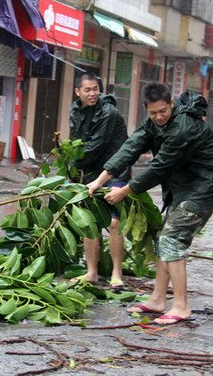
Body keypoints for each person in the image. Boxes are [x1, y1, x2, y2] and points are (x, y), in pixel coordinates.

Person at [87, 83, 213, 325]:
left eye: (163, 111)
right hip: (184, 187)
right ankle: (157, 300)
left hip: (208, 185)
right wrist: (99, 181)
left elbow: (158, 168)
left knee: (171, 239)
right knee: (162, 238)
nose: (159, 117)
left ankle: (181, 306)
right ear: (147, 109)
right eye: (153, 113)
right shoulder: (152, 123)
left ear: (171, 104)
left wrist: (123, 191)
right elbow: (129, 149)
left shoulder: (184, 127)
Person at [69, 73, 130, 289]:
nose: (93, 93)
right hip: (90, 173)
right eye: (88, 89)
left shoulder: (109, 112)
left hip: (115, 171)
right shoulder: (76, 111)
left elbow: (95, 147)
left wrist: (72, 159)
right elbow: (76, 142)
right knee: (90, 223)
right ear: (78, 92)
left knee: (114, 223)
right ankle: (91, 272)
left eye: (95, 89)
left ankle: (116, 273)